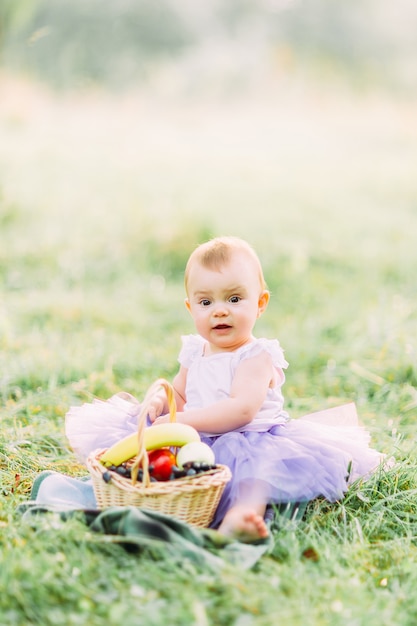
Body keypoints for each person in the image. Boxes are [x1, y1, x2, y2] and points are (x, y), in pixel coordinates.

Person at [38, 236, 384, 541]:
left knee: (254, 477)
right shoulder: (194, 350)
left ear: (260, 303)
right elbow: (180, 392)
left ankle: (241, 518)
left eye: (234, 299)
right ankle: (158, 498)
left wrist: (188, 422)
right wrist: (161, 399)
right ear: (191, 308)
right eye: (206, 303)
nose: (220, 311)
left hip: (251, 439)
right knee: (152, 452)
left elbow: (241, 409)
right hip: (198, 436)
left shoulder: (257, 355)